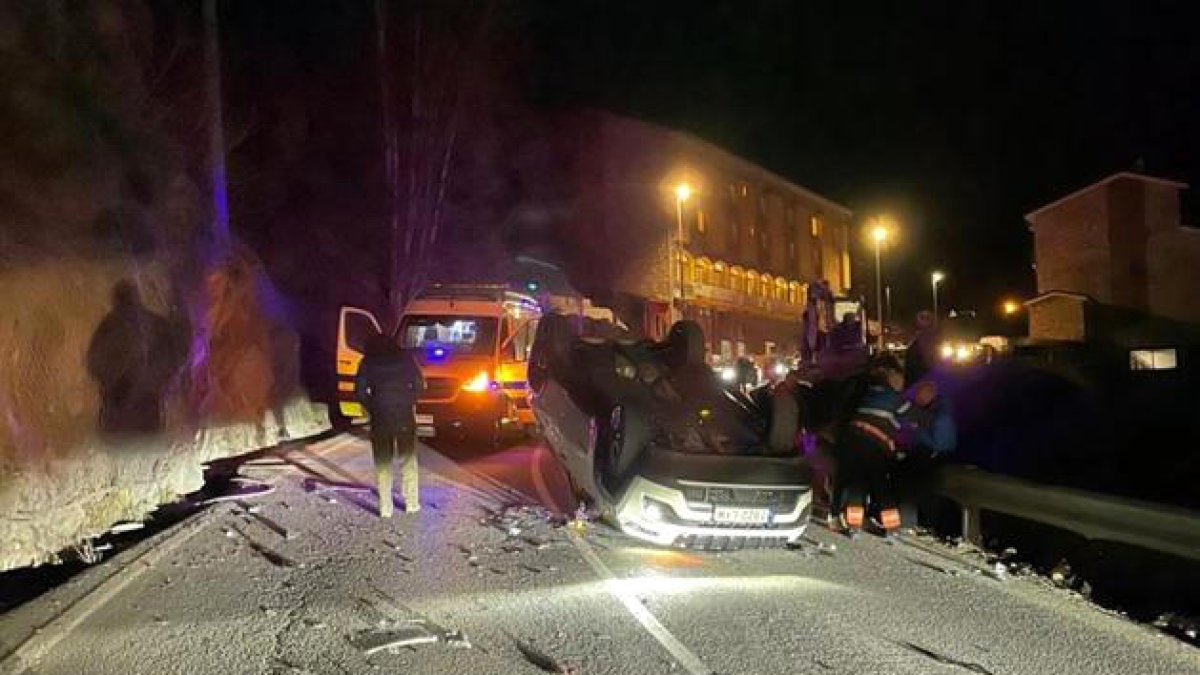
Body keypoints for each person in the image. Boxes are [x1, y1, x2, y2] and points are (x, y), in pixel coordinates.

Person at [834, 355, 911, 538]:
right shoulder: (896, 399)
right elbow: (907, 425)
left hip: (852, 441)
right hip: (873, 446)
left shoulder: (868, 392)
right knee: (881, 486)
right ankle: (891, 528)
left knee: (857, 485)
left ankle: (854, 526)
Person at [355, 332, 425, 518]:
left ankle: (385, 507)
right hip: (403, 415)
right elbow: (419, 385)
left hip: (380, 417)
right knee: (408, 459)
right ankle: (411, 502)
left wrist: (373, 406)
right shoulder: (406, 359)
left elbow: (360, 392)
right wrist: (408, 401)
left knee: (382, 462)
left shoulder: (367, 362)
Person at [894, 379, 956, 529]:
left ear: (930, 395)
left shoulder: (941, 417)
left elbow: (941, 444)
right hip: (924, 457)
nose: (917, 398)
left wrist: (918, 431)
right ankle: (910, 524)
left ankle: (917, 527)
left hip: (933, 460)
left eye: (920, 395)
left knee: (919, 494)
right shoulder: (929, 411)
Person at [903, 310, 939, 387]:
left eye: (927, 318)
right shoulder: (914, 344)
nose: (925, 320)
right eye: (923, 318)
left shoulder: (938, 341)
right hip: (920, 383)